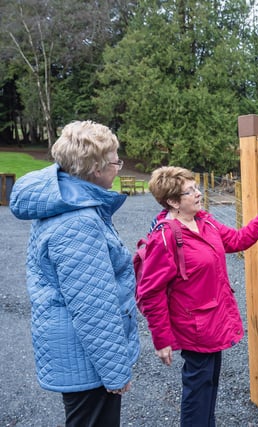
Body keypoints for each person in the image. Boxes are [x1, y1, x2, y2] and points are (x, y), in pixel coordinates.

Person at [135, 166, 258, 427]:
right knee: (198, 390)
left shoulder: (205, 222)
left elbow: (238, 240)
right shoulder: (166, 236)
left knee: (209, 384)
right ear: (172, 201)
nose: (198, 193)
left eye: (196, 187)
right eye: (190, 191)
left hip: (213, 322)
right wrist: (161, 339)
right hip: (193, 327)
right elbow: (150, 292)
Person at [9, 121, 140, 426]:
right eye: (115, 160)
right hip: (86, 360)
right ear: (95, 168)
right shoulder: (77, 222)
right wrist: (115, 371)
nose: (118, 167)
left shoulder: (69, 201)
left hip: (80, 353)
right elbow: (93, 307)